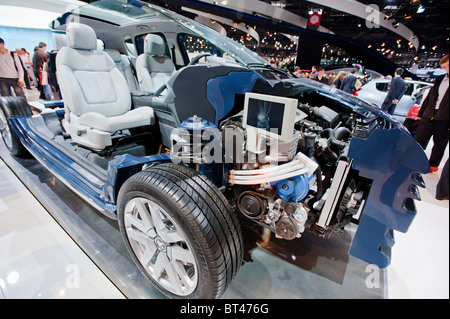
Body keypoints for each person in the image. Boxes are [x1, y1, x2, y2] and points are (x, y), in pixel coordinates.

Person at [413, 54, 449, 173]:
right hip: (429, 114)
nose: (447, 68)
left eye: (448, 65)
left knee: (440, 142)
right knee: (419, 137)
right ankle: (412, 159)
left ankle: (433, 164)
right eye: (444, 66)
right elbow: (429, 98)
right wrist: (421, 113)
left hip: (445, 118)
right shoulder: (440, 79)